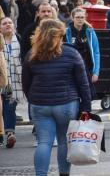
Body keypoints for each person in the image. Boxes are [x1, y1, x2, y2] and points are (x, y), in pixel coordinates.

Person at [22, 19, 91, 176]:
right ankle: (64, 174)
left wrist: (32, 98)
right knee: (63, 141)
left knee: (44, 142)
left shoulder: (32, 54)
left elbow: (26, 82)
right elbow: (83, 84)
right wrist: (86, 107)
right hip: (66, 104)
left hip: (39, 104)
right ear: (60, 35)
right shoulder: (72, 53)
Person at [65, 8, 100, 100]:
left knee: (87, 97)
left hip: (87, 69)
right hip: (72, 70)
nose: (80, 19)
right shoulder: (66, 32)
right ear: (73, 18)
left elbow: (96, 52)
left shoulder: (90, 32)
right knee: (74, 96)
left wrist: (96, 72)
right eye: (77, 17)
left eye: (82, 17)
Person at [0, 17, 23, 149]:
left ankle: (10, 134)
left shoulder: (19, 39)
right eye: (4, 23)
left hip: (14, 81)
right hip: (1, 79)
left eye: (10, 23)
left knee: (9, 108)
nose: (8, 25)